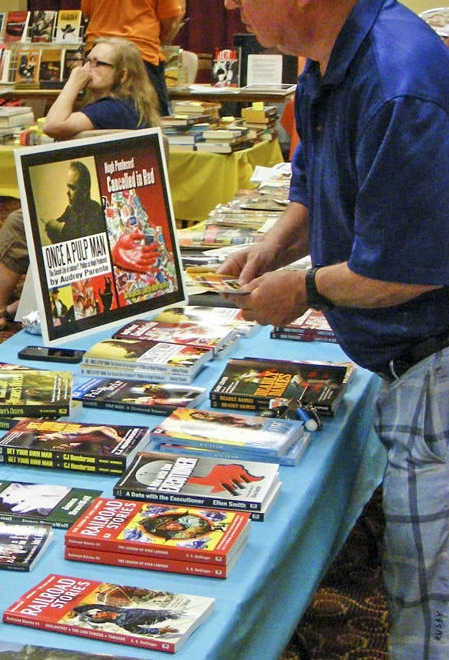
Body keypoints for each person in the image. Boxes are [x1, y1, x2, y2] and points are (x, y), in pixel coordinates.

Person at [216, 0, 449, 656]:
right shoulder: (329, 60)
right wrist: (274, 246)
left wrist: (305, 286)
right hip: (408, 367)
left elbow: (409, 270)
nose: (231, 4)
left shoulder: (397, 81)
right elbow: (316, 183)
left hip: (434, 369)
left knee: (431, 614)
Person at [0, 38, 160, 330]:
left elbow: (53, 125)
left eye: (98, 64)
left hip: (100, 227)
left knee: (22, 221)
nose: (87, 68)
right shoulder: (134, 107)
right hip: (122, 218)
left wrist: (73, 82)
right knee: (51, 211)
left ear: (122, 75)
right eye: (87, 61)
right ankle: (35, 299)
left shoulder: (110, 109)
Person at [81, 0, 185, 116]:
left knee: (93, 118)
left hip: (98, 54)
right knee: (150, 120)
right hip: (141, 54)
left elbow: (86, 12)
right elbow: (171, 21)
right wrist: (161, 44)